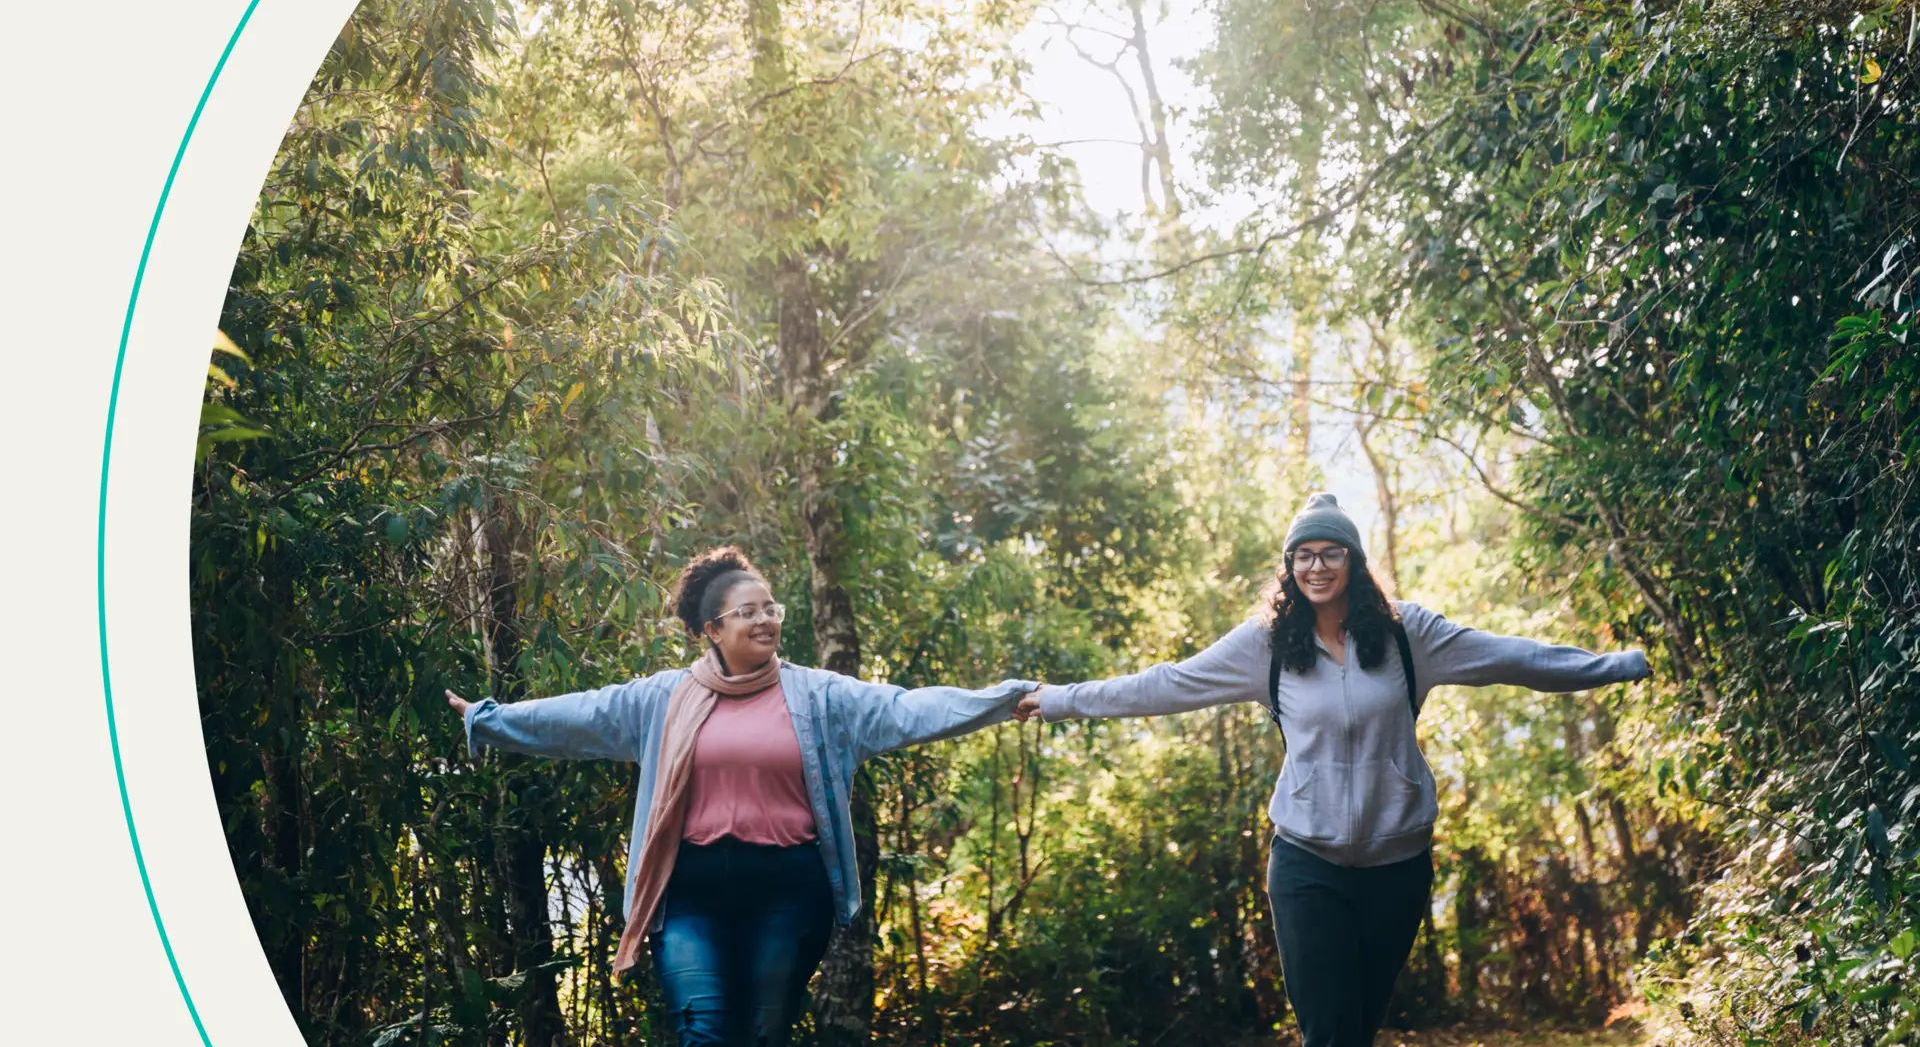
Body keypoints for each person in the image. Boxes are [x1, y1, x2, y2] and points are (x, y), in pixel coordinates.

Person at [1010, 492, 1651, 1047]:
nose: (1317, 567)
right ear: (1289, 566)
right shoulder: (1265, 644)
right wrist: (1061, 699)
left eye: (1331, 553)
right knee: (1329, 1033)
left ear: (1355, 561)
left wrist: (1617, 665)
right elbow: (1167, 684)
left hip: (1397, 867)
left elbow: (1513, 658)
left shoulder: (1408, 636)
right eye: (1304, 556)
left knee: (1358, 1029)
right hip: (1305, 861)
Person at [446, 546, 1030, 1047]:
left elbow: (908, 708)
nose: (765, 620)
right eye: (746, 612)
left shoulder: (821, 697)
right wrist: (487, 719)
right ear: (712, 630)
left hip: (788, 888)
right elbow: (576, 716)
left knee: (761, 1032)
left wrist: (1005, 699)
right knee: (701, 1028)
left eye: (770, 609)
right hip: (690, 889)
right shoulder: (663, 699)